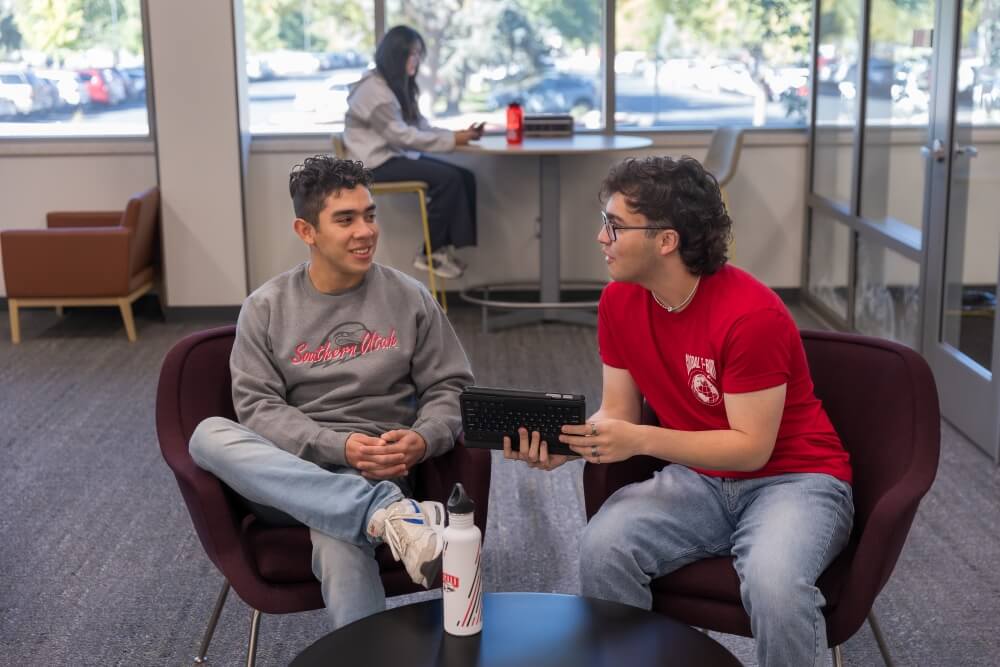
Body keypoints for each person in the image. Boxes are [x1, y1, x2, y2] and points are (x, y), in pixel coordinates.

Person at [504, 156, 854, 666]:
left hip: (795, 480)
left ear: (666, 240)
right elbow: (619, 413)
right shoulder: (619, 302)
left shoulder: (750, 315)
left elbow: (751, 450)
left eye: (615, 226)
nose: (601, 238)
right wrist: (569, 445)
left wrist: (641, 440)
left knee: (774, 583)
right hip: (700, 478)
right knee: (603, 547)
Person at [188, 155, 474, 630]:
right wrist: (335, 446)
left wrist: (423, 439)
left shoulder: (409, 297)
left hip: (378, 468)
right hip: (287, 474)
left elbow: (452, 386)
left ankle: (374, 519)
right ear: (307, 231)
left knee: (340, 541)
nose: (365, 231)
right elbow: (258, 408)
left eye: (369, 215)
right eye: (345, 220)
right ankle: (386, 514)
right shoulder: (266, 307)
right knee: (207, 435)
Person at [344, 25, 483, 280]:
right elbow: (404, 137)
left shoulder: (396, 86)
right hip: (372, 164)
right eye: (412, 54)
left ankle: (443, 248)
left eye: (419, 54)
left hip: (389, 156)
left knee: (464, 176)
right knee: (449, 179)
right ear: (396, 56)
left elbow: (419, 126)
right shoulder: (374, 92)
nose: (416, 61)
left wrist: (456, 134)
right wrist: (453, 140)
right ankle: (430, 252)